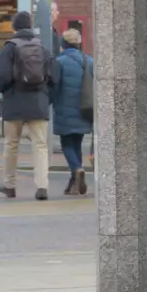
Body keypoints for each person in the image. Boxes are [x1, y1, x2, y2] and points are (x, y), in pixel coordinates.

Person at [0, 10, 55, 201]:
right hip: (38, 103)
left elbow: (2, 78)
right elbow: (54, 77)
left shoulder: (9, 48)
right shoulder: (42, 48)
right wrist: (46, 97)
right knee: (40, 145)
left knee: (11, 145)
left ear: (14, 27)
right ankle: (42, 186)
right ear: (30, 26)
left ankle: (10, 185)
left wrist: (4, 90)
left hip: (14, 103)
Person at [51, 29, 93, 196]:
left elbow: (54, 87)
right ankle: (74, 182)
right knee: (76, 145)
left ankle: (77, 169)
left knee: (67, 145)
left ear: (63, 44)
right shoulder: (88, 61)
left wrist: (50, 103)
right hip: (84, 109)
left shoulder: (59, 62)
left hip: (64, 110)